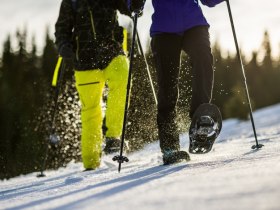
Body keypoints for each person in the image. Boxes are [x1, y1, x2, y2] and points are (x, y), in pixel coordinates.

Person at [129, 0, 225, 164]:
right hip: (164, 29)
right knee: (168, 86)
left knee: (203, 58)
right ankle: (169, 147)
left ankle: (200, 119)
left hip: (193, 23)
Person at [55, 0, 131, 170]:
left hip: (111, 51)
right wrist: (63, 46)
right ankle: (90, 161)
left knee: (122, 76)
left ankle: (113, 137)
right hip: (84, 60)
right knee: (91, 110)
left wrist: (135, 4)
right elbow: (61, 29)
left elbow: (128, 6)